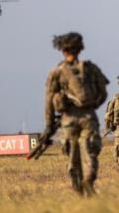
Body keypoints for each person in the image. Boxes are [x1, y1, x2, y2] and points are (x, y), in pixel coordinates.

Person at [43, 32, 109, 195]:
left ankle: (78, 187)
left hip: (68, 119)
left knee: (72, 154)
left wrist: (49, 125)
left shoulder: (57, 72)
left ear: (62, 51)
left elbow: (49, 100)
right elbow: (103, 93)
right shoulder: (91, 68)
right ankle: (89, 179)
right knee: (90, 150)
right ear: (80, 49)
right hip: (88, 116)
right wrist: (92, 106)